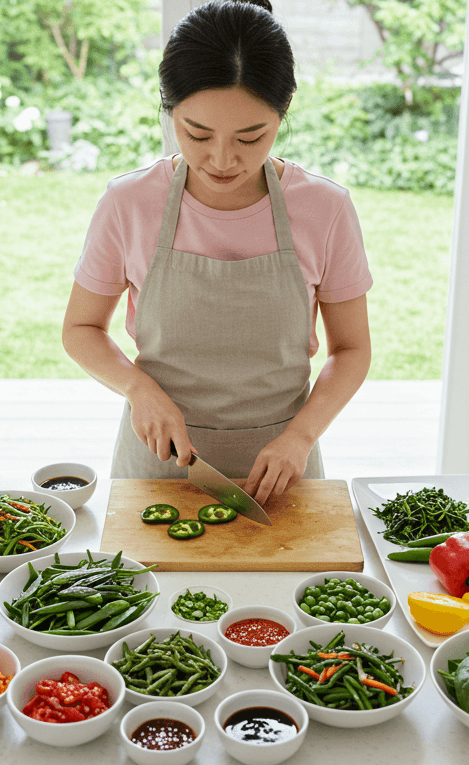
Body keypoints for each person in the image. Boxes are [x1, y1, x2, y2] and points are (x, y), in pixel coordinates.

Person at [62, 0, 372, 505]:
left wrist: (300, 436)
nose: (223, 160)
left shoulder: (326, 208)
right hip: (157, 464)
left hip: (283, 469)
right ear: (169, 110)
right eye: (197, 134)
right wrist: (140, 390)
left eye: (252, 137)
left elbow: (352, 349)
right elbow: (80, 329)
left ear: (283, 114)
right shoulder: (129, 203)